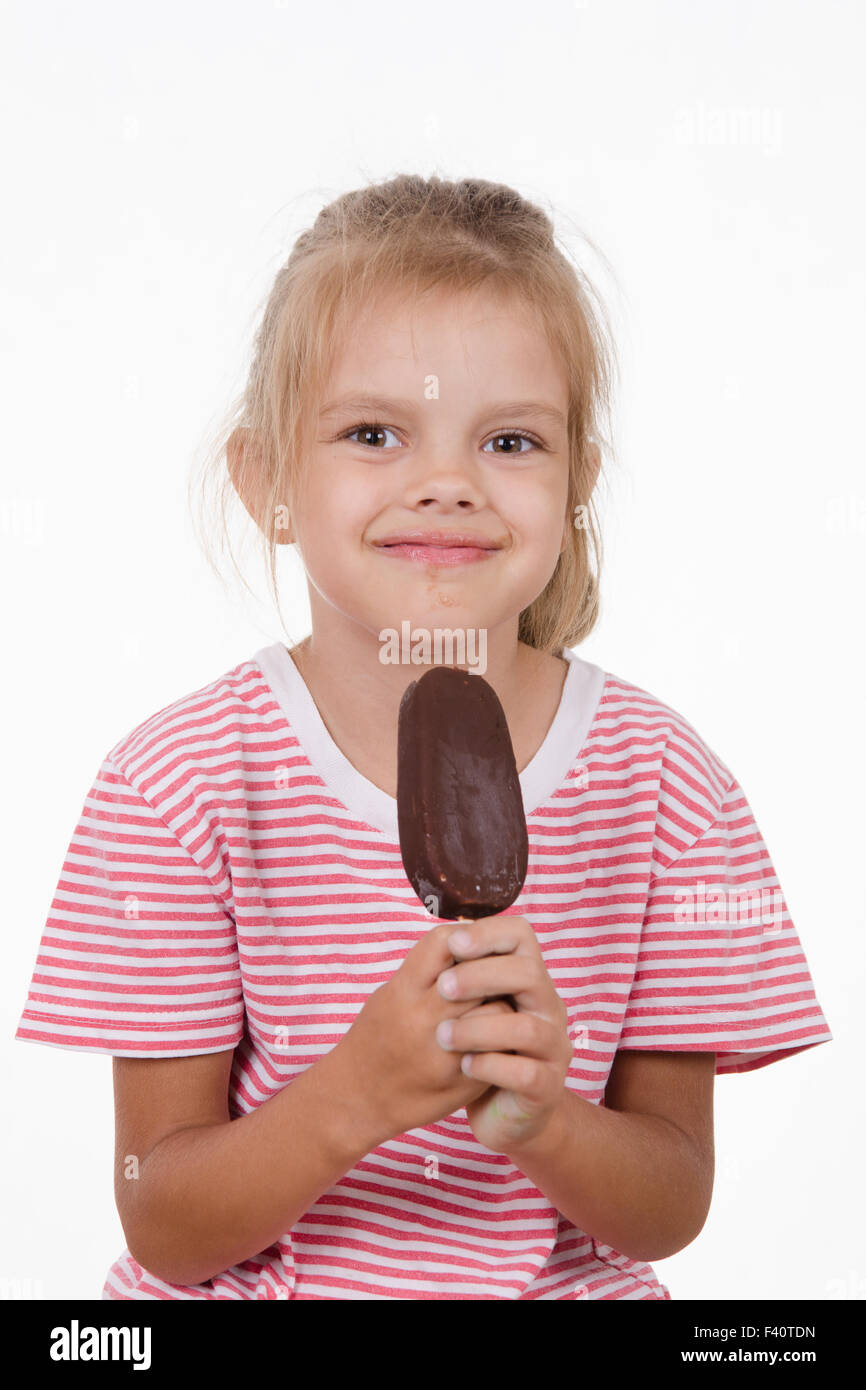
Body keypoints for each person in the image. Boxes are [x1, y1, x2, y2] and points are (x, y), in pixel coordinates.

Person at [15, 174, 832, 1300]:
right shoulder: (179, 783)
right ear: (268, 483)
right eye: (372, 432)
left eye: (508, 440)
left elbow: (670, 1199)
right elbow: (163, 1216)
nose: (445, 483)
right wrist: (355, 1091)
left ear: (574, 482)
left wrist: (542, 1117)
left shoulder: (664, 783)